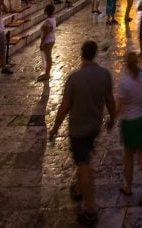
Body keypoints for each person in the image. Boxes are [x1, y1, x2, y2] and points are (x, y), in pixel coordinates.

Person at [49, 41, 116, 226]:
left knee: (83, 163)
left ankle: (90, 209)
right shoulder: (104, 75)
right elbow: (110, 101)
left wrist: (55, 128)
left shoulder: (74, 78)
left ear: (82, 54)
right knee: (83, 158)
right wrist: (112, 119)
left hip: (78, 128)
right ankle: (78, 187)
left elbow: (64, 107)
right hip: (94, 126)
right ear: (94, 54)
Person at [117, 52, 142, 206]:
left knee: (128, 156)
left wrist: (112, 119)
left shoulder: (124, 82)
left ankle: (128, 186)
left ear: (126, 63)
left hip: (130, 122)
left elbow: (120, 106)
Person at [36, 4, 56, 82]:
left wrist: (41, 43)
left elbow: (46, 33)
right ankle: (46, 73)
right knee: (48, 58)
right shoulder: (53, 19)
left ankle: (47, 74)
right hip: (51, 40)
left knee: (48, 58)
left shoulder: (48, 21)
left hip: (47, 41)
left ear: (46, 11)